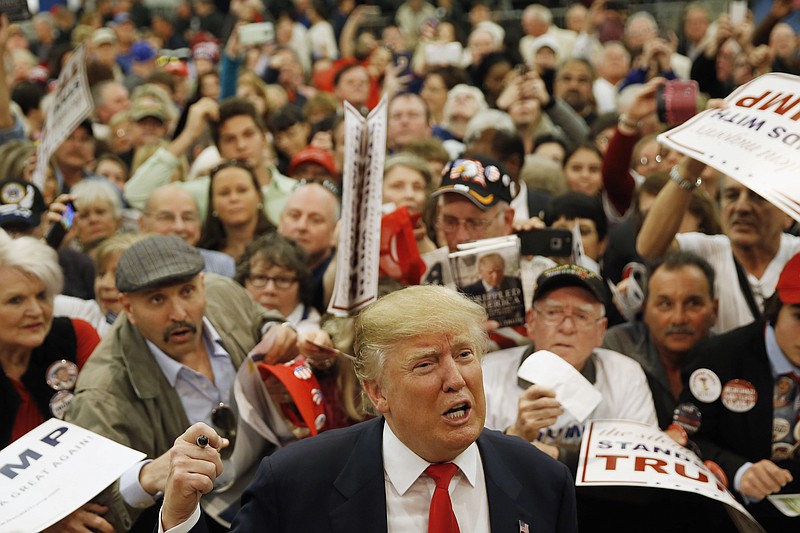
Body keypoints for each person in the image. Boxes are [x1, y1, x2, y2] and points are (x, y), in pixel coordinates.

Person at [158, 284, 579, 532]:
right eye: (426, 363)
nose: (456, 379)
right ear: (378, 393)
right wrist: (179, 514)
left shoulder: (543, 480)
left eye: (465, 355)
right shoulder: (296, 483)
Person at [65, 235, 298, 532]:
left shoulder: (222, 292)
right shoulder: (103, 390)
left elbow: (260, 317)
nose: (179, 313)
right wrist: (146, 478)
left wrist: (280, 330)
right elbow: (95, 501)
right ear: (128, 306)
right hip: (197, 518)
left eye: (187, 291)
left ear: (202, 284)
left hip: (275, 476)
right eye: (157, 299)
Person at [483, 264, 657, 468]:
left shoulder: (625, 374)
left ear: (601, 331)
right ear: (531, 322)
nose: (566, 328)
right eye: (553, 313)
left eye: (581, 316)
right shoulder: (486, 374)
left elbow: (642, 464)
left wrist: (560, 457)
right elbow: (472, 461)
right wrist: (515, 435)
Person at [677, 252, 800, 531]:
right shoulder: (718, 358)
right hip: (731, 513)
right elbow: (686, 435)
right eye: (799, 316)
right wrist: (739, 471)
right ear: (775, 309)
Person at [0, 233, 107, 531]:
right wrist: (42, 518)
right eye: (16, 300)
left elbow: (108, 436)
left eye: (42, 295)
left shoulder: (75, 336)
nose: (36, 311)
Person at [637, 155, 800, 333]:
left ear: (787, 215)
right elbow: (649, 249)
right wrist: (689, 170)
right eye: (732, 196)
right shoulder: (705, 250)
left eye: (758, 197)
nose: (741, 207)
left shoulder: (796, 254)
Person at [603, 251, 718, 428]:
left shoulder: (731, 358)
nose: (678, 318)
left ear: (714, 311)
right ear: (645, 311)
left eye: (693, 303)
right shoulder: (617, 347)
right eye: (665, 304)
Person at [140, 184, 235, 277]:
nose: (179, 227)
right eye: (167, 218)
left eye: (187, 218)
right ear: (142, 224)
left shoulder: (222, 267)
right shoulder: (131, 269)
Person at [235, 233, 319, 335]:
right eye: (260, 278)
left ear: (301, 287)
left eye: (283, 280)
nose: (270, 290)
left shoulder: (312, 333)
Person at [198, 159, 275, 260]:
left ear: (259, 196)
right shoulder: (201, 256)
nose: (234, 198)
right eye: (224, 193)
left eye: (242, 190)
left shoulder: (281, 247)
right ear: (212, 203)